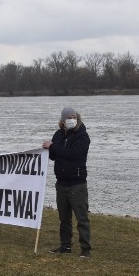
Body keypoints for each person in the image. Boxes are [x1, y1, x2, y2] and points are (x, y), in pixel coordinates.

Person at [42, 106, 91, 258]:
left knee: (81, 218)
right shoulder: (58, 135)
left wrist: (53, 147)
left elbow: (73, 154)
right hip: (61, 183)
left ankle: (86, 249)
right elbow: (54, 156)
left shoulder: (83, 136)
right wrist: (47, 149)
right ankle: (65, 246)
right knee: (64, 218)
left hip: (77, 184)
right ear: (62, 120)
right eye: (68, 117)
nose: (72, 120)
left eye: (74, 117)